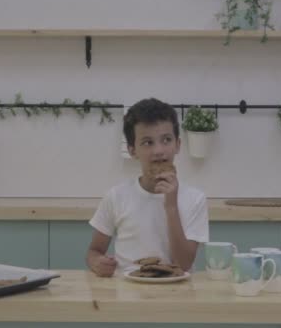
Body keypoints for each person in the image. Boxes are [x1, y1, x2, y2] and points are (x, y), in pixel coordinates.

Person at [86, 98, 209, 277]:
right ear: (132, 150)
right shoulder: (116, 196)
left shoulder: (195, 199)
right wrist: (96, 262)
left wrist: (171, 206)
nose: (158, 150)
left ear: (178, 145)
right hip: (127, 293)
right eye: (147, 142)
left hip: (177, 294)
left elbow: (183, 265)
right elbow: (93, 251)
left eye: (166, 140)